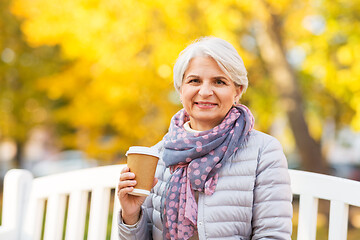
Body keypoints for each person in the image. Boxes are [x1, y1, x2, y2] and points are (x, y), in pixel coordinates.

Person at [117, 36, 293, 240]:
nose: (206, 91)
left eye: (219, 81)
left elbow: (273, 235)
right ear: (180, 89)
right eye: (194, 81)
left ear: (237, 91)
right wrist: (130, 215)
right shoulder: (159, 154)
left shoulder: (264, 151)